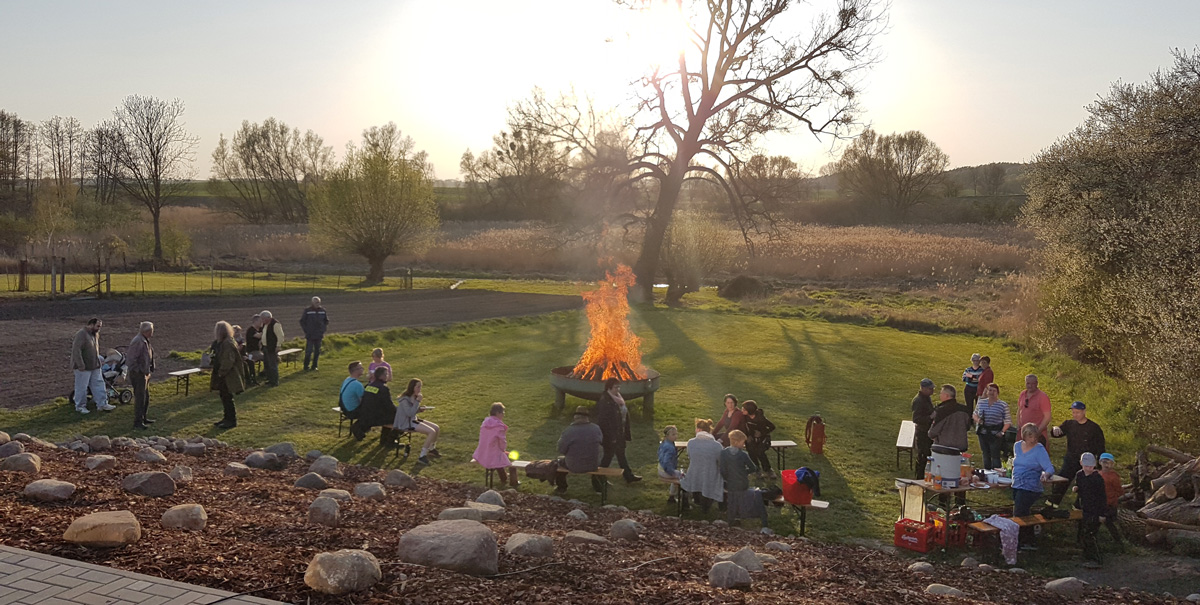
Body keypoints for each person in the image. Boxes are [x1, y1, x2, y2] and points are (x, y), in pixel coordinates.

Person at [1048, 401, 1106, 507]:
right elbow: (1056, 434)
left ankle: (1079, 507)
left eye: (1078, 412)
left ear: (1084, 412)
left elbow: (1101, 447)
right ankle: (1051, 505)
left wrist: (1099, 464)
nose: (1075, 415)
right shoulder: (1069, 424)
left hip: (1087, 462)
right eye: (1073, 412)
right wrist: (1055, 429)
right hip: (1071, 458)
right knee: (1062, 481)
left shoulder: (1094, 428)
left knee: (1085, 484)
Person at [1012, 423, 1055, 550]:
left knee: (1019, 512)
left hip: (1030, 485)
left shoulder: (1039, 449)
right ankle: (1029, 540)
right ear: (1024, 436)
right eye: (1030, 436)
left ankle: (1019, 541)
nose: (1033, 439)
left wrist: (1046, 475)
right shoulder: (1017, 446)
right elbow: (1017, 462)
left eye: (1035, 436)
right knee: (1023, 513)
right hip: (1017, 483)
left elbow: (1049, 467)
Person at [594, 377, 642, 487]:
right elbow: (603, 422)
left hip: (619, 433)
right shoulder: (605, 401)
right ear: (609, 388)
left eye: (619, 387)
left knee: (621, 455)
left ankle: (628, 476)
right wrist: (611, 437)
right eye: (616, 387)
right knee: (608, 457)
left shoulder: (617, 398)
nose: (618, 389)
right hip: (611, 436)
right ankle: (597, 479)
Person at [721, 430, 768, 527]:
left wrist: (728, 477)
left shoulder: (723, 453)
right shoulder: (743, 455)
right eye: (743, 443)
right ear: (737, 442)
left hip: (730, 483)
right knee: (740, 498)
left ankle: (731, 519)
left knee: (731, 501)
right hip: (742, 483)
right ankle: (742, 514)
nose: (744, 445)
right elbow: (753, 468)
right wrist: (744, 472)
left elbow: (722, 470)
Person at [555, 406, 603, 494]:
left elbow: (561, 449)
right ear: (587, 417)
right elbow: (600, 441)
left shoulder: (569, 431)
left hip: (575, 465)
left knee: (559, 463)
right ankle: (598, 488)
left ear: (575, 417)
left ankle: (562, 488)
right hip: (593, 463)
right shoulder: (596, 428)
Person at [71, 317, 115, 414]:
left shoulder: (95, 335)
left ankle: (102, 404)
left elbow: (95, 350)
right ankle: (80, 406)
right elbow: (76, 351)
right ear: (91, 324)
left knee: (99, 384)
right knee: (82, 387)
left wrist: (98, 362)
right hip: (83, 367)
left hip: (95, 365)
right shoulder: (81, 334)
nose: (99, 328)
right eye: (98, 326)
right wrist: (80, 365)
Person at [680, 418, 725, 513]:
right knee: (714, 474)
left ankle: (697, 500)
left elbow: (690, 456)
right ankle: (707, 504)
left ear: (699, 430)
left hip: (694, 473)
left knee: (696, 475)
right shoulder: (716, 446)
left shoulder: (691, 442)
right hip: (710, 474)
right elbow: (721, 462)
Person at [1071, 452, 1107, 566]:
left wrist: (1102, 514)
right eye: (1086, 466)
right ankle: (1086, 555)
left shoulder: (1097, 479)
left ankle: (1097, 559)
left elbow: (1102, 497)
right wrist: (1076, 488)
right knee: (1083, 532)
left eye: (1091, 466)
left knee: (1090, 534)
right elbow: (1080, 487)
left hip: (1095, 509)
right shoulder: (1080, 475)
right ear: (1081, 464)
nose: (1088, 468)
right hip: (1083, 507)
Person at [394, 378, 441, 465]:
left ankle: (431, 448)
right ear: (412, 387)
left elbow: (412, 411)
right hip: (406, 423)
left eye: (420, 387)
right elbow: (409, 413)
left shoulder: (413, 397)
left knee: (436, 427)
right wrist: (418, 402)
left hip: (412, 419)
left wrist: (419, 409)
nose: (419, 389)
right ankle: (422, 456)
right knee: (431, 432)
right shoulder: (405, 399)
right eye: (418, 387)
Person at [209, 321, 246, 429]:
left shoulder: (227, 344)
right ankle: (226, 418)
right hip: (224, 374)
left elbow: (228, 360)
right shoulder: (224, 342)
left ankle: (231, 420)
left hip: (228, 375)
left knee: (227, 397)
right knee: (224, 397)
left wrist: (221, 372)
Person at [474, 402, 519, 488]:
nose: (503, 415)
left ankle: (504, 477)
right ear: (498, 413)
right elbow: (502, 442)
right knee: (511, 457)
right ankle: (513, 481)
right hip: (493, 454)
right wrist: (503, 449)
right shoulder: (498, 426)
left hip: (482, 453)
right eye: (503, 413)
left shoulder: (485, 423)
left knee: (498, 457)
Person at [353, 367, 398, 447]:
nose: (387, 376)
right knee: (398, 419)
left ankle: (384, 440)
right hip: (376, 417)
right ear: (381, 376)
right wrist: (399, 411)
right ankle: (388, 441)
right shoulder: (383, 388)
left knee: (391, 416)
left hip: (365, 414)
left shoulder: (369, 385)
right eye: (386, 374)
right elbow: (389, 406)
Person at [973, 382, 1012, 470]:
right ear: (987, 392)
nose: (991, 392)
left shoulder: (1003, 405)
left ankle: (997, 474)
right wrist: (978, 420)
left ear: (997, 392)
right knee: (985, 454)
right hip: (983, 432)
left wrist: (1002, 432)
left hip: (996, 433)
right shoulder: (981, 403)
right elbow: (974, 414)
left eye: (994, 391)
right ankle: (986, 473)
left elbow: (1008, 421)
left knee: (995, 455)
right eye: (989, 390)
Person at [125, 321, 156, 429]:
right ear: (147, 331)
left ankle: (143, 417)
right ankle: (137, 422)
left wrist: (150, 369)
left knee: (145, 397)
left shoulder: (145, 340)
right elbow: (131, 359)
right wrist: (140, 371)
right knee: (140, 398)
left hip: (144, 373)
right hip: (139, 374)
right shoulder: (138, 341)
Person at [928, 384, 970, 452]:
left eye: (941, 393)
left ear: (946, 395)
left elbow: (933, 432)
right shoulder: (965, 410)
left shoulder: (941, 411)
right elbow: (967, 427)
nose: (940, 395)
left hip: (943, 447)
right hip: (961, 447)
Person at [1097, 453, 1125, 550]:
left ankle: (1118, 541)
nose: (1106, 464)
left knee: (1108, 522)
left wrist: (1115, 498)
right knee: (1097, 522)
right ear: (1100, 463)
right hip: (1100, 503)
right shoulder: (1098, 474)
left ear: (1112, 464)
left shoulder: (1114, 477)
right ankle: (1093, 538)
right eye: (1104, 462)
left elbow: (1119, 490)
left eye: (1108, 462)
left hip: (1110, 503)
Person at [742, 400, 776, 475]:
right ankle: (756, 468)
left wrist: (762, 433)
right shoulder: (745, 417)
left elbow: (772, 426)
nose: (742, 411)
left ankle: (768, 469)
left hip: (764, 438)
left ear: (749, 411)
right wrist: (747, 436)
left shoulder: (761, 418)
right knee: (750, 449)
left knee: (759, 451)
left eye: (744, 409)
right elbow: (743, 428)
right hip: (752, 438)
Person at [657, 425, 688, 508]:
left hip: (661, 469)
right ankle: (685, 502)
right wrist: (673, 472)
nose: (676, 436)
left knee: (679, 475)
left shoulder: (664, 443)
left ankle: (671, 496)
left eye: (676, 434)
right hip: (666, 471)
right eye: (673, 435)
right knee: (684, 477)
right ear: (667, 436)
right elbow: (666, 462)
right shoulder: (670, 448)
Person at [911, 378, 936, 480]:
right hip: (922, 433)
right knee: (923, 456)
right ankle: (919, 478)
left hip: (927, 431)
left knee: (927, 455)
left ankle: (925, 477)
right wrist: (930, 417)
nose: (933, 390)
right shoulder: (919, 401)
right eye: (930, 389)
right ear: (923, 388)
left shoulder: (926, 398)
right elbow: (916, 418)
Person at [1017, 374, 1052, 446]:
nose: (1030, 386)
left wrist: (1038, 431)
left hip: (1036, 434)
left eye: (1032, 383)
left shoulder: (1043, 397)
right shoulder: (1023, 394)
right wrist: (1018, 425)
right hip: (1022, 432)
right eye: (1028, 383)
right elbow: (1019, 409)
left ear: (1037, 383)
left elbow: (1047, 417)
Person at [300, 296, 329, 371]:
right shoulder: (307, 311)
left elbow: (326, 321)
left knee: (317, 352)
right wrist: (307, 331)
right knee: (308, 352)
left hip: (319, 335)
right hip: (310, 335)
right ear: (312, 303)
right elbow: (302, 321)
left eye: (319, 302)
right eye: (316, 302)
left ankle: (314, 366)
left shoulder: (323, 311)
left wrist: (323, 329)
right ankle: (306, 366)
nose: (318, 304)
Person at [259, 310, 284, 387]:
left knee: (273, 365)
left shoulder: (275, 324)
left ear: (268, 317)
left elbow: (280, 336)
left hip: (272, 347)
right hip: (265, 347)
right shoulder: (265, 324)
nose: (262, 321)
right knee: (267, 365)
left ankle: (274, 382)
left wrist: (278, 346)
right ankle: (269, 379)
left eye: (263, 319)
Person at [243, 315, 263, 385]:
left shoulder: (260, 329)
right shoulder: (251, 330)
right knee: (266, 358)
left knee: (272, 357)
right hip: (252, 352)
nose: (261, 323)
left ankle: (265, 373)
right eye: (260, 321)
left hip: (259, 351)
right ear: (255, 321)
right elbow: (259, 336)